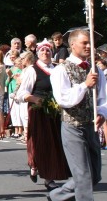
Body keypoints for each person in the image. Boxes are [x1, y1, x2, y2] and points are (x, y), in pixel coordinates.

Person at [47, 30, 107, 201]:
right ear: (73, 45)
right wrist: (85, 85)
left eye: (90, 43)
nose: (88, 46)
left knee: (94, 176)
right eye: (84, 43)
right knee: (83, 176)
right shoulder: (61, 70)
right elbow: (64, 99)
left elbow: (104, 96)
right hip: (72, 126)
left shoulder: (95, 70)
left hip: (90, 126)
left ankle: (57, 197)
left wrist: (102, 112)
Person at [15, 39, 69, 190]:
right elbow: (21, 93)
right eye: (42, 51)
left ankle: (49, 176)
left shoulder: (58, 69)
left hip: (55, 112)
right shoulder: (32, 70)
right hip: (38, 112)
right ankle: (36, 166)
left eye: (48, 51)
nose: (45, 53)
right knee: (41, 143)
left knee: (55, 143)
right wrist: (34, 99)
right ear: (38, 53)